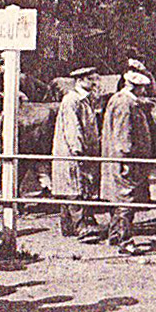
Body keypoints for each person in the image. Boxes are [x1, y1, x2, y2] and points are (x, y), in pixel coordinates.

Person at [100, 69, 152, 255]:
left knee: (119, 199)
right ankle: (125, 241)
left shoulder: (119, 99)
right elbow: (123, 136)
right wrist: (127, 161)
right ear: (134, 87)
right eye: (142, 89)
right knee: (126, 199)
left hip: (117, 159)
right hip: (124, 161)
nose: (144, 92)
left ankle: (114, 235)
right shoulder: (125, 104)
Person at [51, 67, 102, 240]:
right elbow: (73, 128)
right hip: (72, 151)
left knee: (72, 186)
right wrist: (77, 150)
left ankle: (67, 226)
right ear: (80, 80)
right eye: (91, 79)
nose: (94, 82)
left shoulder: (86, 100)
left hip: (80, 149)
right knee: (74, 187)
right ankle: (81, 227)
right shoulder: (72, 100)